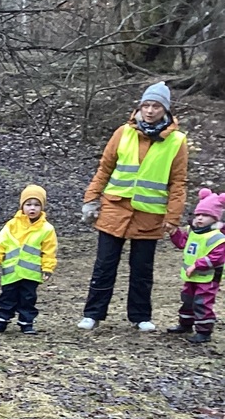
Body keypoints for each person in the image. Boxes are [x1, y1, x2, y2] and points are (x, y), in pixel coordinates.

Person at [79, 82, 189, 332]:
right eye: (146, 105)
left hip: (149, 215)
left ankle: (141, 316)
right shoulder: (123, 132)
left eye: (156, 106)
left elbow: (178, 182)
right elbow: (104, 169)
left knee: (142, 270)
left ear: (166, 110)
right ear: (140, 107)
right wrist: (91, 199)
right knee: (104, 265)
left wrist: (173, 217)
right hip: (114, 209)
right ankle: (92, 314)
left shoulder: (177, 141)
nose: (150, 111)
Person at [0, 185, 58, 335]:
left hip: (31, 274)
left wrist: (48, 268)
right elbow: (1, 245)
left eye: (37, 205)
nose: (32, 208)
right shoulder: (11, 225)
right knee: (7, 297)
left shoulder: (47, 229)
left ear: (42, 207)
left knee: (28, 299)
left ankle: (26, 323)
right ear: (22, 206)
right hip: (11, 272)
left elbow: (49, 251)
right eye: (28, 204)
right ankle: (0, 322)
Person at [167, 189, 225, 343]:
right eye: (198, 215)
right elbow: (182, 243)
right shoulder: (193, 232)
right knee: (187, 299)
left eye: (205, 215)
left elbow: (216, 258)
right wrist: (174, 233)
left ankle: (204, 331)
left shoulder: (218, 237)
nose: (199, 218)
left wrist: (197, 266)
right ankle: (185, 324)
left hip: (208, 278)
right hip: (191, 276)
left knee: (202, 302)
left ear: (214, 218)